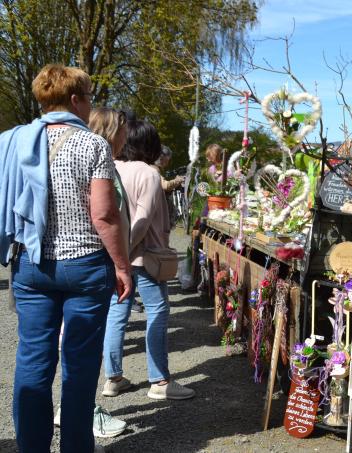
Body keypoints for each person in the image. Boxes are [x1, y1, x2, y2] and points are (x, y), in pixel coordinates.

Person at [0, 64, 132, 453]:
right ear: (75, 99)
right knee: (79, 367)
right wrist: (123, 267)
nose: (90, 105)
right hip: (85, 266)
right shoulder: (92, 145)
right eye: (88, 97)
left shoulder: (12, 141)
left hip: (31, 264)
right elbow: (104, 215)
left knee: (32, 364)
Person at [102, 119, 195, 401]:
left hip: (117, 253)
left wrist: (117, 257)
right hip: (144, 257)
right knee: (157, 312)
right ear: (149, 144)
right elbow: (141, 222)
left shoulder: (111, 167)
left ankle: (113, 377)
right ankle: (160, 381)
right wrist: (126, 256)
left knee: (116, 314)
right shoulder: (149, 174)